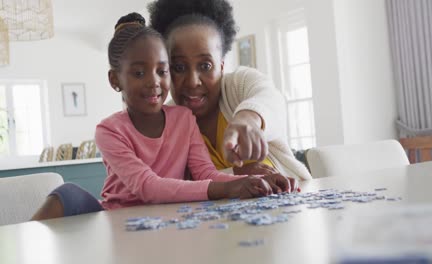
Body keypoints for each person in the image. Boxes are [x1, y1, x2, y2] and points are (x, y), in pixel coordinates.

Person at [31, 13, 297, 220]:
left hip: (170, 218)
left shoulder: (183, 118)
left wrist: (254, 182)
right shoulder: (108, 130)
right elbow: (148, 186)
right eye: (138, 73)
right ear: (115, 80)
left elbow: (206, 174)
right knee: (67, 194)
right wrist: (231, 187)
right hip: (116, 220)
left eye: (162, 71)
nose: (153, 82)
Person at [148, 0, 312, 180]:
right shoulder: (167, 124)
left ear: (221, 66)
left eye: (205, 65)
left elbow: (271, 100)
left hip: (292, 198)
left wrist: (248, 119)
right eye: (179, 68)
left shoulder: (238, 85)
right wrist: (236, 174)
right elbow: (179, 186)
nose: (193, 82)